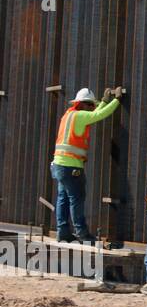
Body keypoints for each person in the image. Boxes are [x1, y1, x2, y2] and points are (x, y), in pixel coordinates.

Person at [50, 86, 124, 243]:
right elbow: (99, 115)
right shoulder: (80, 116)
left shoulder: (68, 115)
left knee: (63, 197)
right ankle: (82, 233)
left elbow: (94, 114)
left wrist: (104, 101)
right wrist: (117, 100)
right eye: (91, 104)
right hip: (71, 166)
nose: (93, 107)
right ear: (83, 104)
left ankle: (62, 232)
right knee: (77, 198)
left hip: (59, 165)